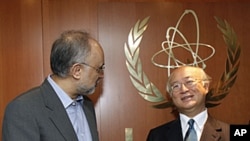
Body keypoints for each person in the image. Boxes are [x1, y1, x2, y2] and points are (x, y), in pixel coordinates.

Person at [2, 30, 104, 141]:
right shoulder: (23, 110)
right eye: (98, 69)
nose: (101, 75)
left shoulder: (87, 105)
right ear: (77, 71)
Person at [146, 66, 229, 141]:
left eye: (189, 82)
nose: (184, 89)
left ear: (206, 87)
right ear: (171, 95)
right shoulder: (157, 136)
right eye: (176, 86)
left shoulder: (229, 134)